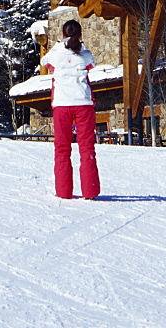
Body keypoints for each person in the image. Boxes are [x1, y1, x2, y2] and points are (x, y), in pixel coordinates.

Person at [42, 19, 101, 200]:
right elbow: (91, 66)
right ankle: (90, 191)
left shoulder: (55, 53)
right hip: (83, 104)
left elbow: (46, 64)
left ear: (61, 35)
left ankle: (63, 191)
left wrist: (60, 44)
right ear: (80, 35)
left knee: (62, 148)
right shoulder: (86, 54)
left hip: (61, 104)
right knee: (87, 148)